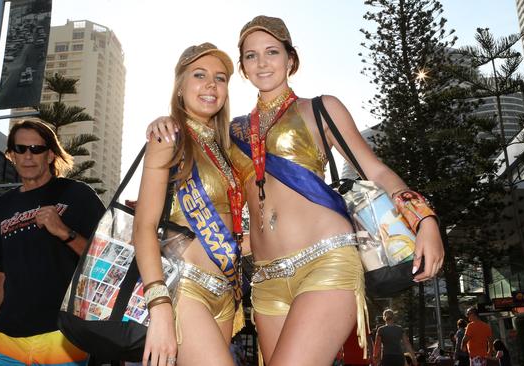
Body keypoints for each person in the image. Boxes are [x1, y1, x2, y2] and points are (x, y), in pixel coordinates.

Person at [146, 15, 444, 366]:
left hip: (325, 262)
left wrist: (423, 218)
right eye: (251, 55)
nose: (262, 62)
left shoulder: (321, 109)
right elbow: (198, 164)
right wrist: (166, 120)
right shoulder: (233, 134)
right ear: (242, 67)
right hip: (266, 280)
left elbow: (375, 169)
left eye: (272, 51)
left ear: (291, 59)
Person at [132, 43, 243, 366]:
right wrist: (159, 303)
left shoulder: (226, 150)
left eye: (220, 78)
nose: (211, 84)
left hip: (225, 294)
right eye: (199, 75)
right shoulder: (168, 137)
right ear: (180, 86)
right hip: (184, 287)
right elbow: (144, 227)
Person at [0, 120, 105, 366]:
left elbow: (106, 261)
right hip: (5, 338)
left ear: (50, 154)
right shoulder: (1, 206)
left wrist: (65, 232)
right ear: (11, 155)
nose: (28, 156)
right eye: (20, 149)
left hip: (62, 336)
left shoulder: (78, 194)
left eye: (36, 149)